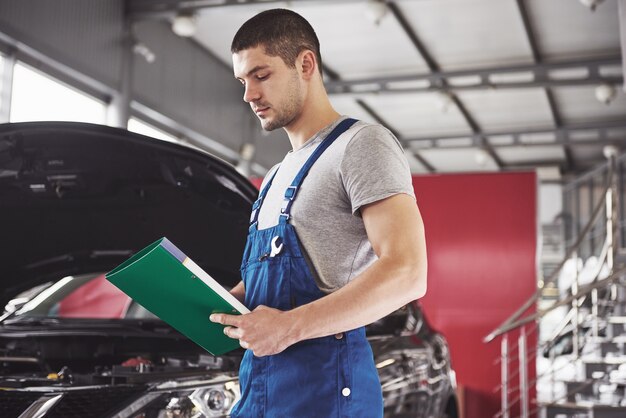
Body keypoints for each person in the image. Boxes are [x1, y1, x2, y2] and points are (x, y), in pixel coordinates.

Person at [209, 8, 427, 417]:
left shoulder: (362, 145)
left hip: (327, 397)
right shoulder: (274, 176)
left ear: (305, 64)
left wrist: (286, 326)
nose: (248, 95)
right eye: (242, 81)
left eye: (261, 75)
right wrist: (223, 300)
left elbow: (408, 273)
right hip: (260, 394)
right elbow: (283, 281)